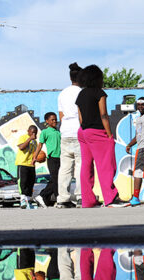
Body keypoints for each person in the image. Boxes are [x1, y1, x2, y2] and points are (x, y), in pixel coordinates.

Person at [75, 64, 128, 208]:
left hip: (83, 132)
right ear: (97, 78)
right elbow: (103, 114)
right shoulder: (99, 93)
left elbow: (80, 117)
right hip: (97, 132)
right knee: (106, 165)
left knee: (86, 166)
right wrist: (109, 135)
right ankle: (111, 198)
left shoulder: (81, 94)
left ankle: (88, 200)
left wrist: (85, 129)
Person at [56, 62, 82, 209]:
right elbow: (81, 114)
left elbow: (61, 115)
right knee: (80, 166)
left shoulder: (62, 93)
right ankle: (80, 197)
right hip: (78, 130)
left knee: (65, 168)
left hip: (65, 131)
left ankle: (63, 198)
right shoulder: (81, 92)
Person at [34, 112, 61, 207]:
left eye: (55, 119)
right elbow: (40, 145)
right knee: (56, 179)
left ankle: (43, 196)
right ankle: (58, 199)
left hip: (61, 158)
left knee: (57, 179)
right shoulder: (45, 132)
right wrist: (35, 157)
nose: (55, 121)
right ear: (47, 121)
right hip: (52, 159)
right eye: (52, 120)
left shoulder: (58, 132)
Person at [15, 125, 38, 209]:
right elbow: (21, 147)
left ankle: (28, 201)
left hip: (31, 164)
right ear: (28, 131)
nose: (34, 134)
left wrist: (37, 158)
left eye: (35, 132)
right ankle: (22, 200)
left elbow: (35, 153)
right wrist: (29, 139)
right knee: (23, 182)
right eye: (32, 132)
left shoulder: (35, 142)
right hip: (22, 163)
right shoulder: (23, 137)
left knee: (30, 183)